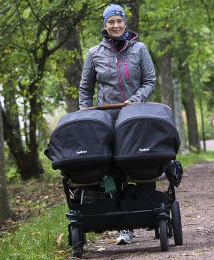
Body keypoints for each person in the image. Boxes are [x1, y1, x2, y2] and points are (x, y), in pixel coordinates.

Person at [78, 4, 156, 245]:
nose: (115, 25)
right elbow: (85, 88)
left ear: (125, 23)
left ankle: (148, 211)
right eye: (110, 22)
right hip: (106, 121)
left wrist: (136, 99)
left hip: (134, 119)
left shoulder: (139, 49)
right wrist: (86, 114)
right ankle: (123, 225)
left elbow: (150, 80)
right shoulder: (94, 53)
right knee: (110, 169)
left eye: (119, 21)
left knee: (141, 164)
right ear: (105, 25)